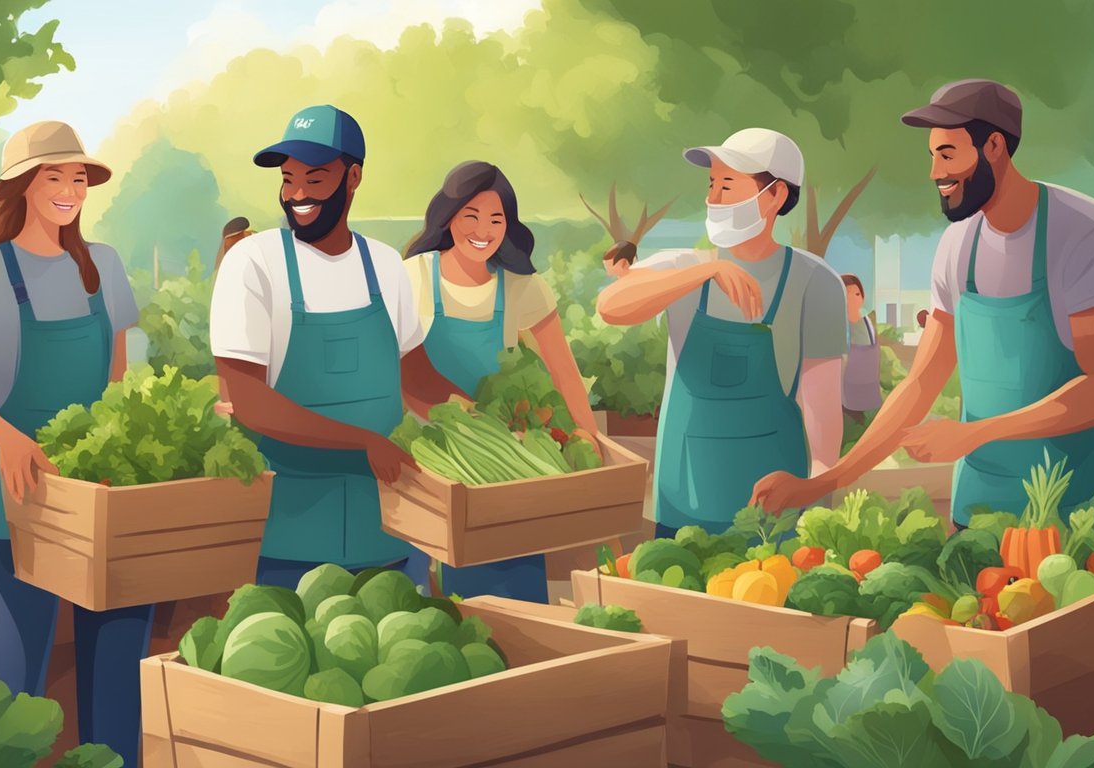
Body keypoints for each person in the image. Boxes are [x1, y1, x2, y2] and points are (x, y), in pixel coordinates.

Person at [753, 79, 1094, 528]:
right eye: (932, 156)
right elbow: (918, 386)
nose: (935, 172)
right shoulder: (958, 246)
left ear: (994, 145)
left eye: (948, 154)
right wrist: (824, 482)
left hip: (1071, 517)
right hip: (975, 510)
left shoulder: (1079, 234)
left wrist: (975, 433)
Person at [0, 121, 150, 764]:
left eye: (78, 177)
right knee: (14, 672)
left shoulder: (104, 266)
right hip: (14, 495)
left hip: (93, 488)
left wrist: (113, 455)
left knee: (117, 658)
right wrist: (11, 442)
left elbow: (117, 378)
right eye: (54, 176)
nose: (69, 190)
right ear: (22, 187)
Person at [211, 105, 465, 590]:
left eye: (316, 178)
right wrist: (363, 441)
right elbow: (249, 399)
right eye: (288, 180)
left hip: (393, 529)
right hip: (293, 534)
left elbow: (417, 379)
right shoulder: (255, 262)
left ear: (353, 177)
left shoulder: (385, 266)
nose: (298, 194)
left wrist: (482, 420)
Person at [598, 128, 848, 535]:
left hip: (773, 507)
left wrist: (819, 500)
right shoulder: (682, 267)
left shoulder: (814, 282)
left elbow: (822, 409)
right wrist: (708, 270)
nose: (712, 199)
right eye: (711, 184)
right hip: (683, 497)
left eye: (727, 185)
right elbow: (612, 306)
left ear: (775, 196)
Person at [402, 161, 602, 602]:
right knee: (431, 576)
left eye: (496, 219)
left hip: (505, 448)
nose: (483, 230)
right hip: (435, 447)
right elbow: (399, 369)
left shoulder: (521, 287)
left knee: (511, 568)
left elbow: (562, 371)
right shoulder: (415, 276)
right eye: (470, 216)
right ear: (448, 216)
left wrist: (587, 436)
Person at [841, 274, 882, 421]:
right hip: (848, 390)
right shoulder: (841, 326)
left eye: (857, 294)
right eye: (847, 295)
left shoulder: (867, 323)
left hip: (870, 388)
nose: (853, 299)